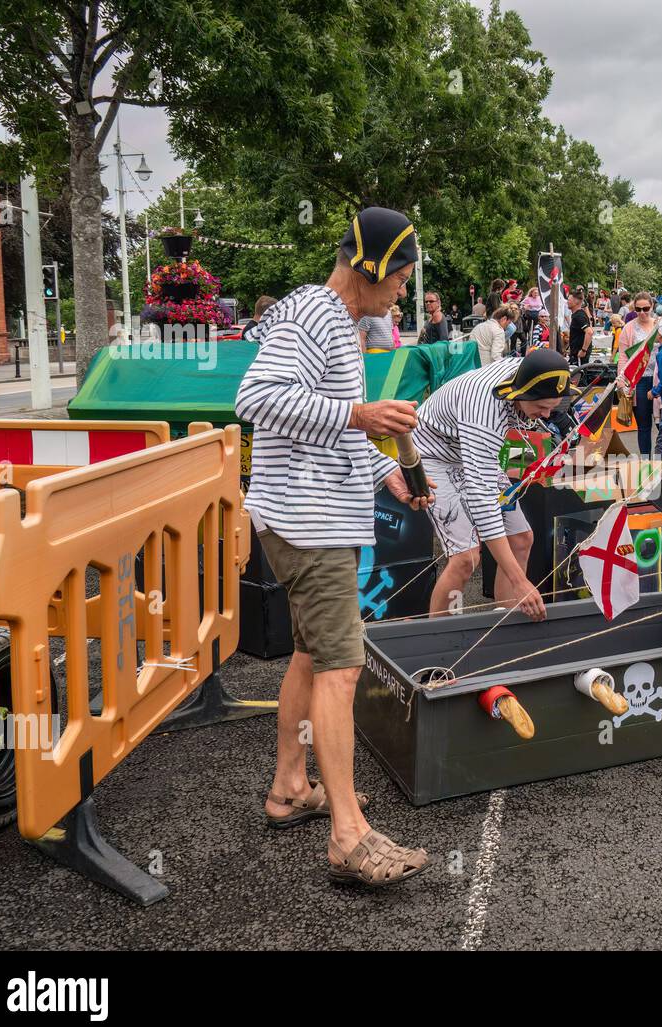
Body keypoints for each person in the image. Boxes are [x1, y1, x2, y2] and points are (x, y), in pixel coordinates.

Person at [237, 206, 433, 887]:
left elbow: (339, 431)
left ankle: (291, 784)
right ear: (374, 265)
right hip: (309, 523)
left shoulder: (339, 326)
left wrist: (390, 475)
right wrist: (360, 412)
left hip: (313, 518)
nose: (404, 290)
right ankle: (348, 836)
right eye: (402, 275)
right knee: (342, 667)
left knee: (312, 653)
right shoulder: (314, 313)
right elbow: (256, 395)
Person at [415, 349, 572, 623]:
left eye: (553, 407)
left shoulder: (527, 372)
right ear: (521, 394)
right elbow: (483, 500)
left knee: (522, 539)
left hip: (471, 450)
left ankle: (502, 625)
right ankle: (436, 644)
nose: (546, 416)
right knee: (466, 557)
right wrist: (521, 581)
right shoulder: (484, 413)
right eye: (541, 408)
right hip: (434, 456)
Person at [614, 291, 660, 456]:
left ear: (652, 306)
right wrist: (622, 382)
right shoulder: (629, 328)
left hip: (659, 380)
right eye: (638, 309)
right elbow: (623, 357)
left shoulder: (659, 325)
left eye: (646, 308)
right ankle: (646, 462)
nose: (642, 313)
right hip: (638, 381)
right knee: (644, 425)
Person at [567, 290, 593, 366]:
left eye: (569, 300)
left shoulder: (579, 316)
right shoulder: (577, 314)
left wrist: (583, 350)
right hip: (576, 352)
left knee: (579, 376)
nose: (567, 302)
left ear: (576, 302)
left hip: (580, 354)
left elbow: (589, 332)